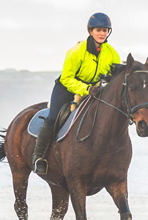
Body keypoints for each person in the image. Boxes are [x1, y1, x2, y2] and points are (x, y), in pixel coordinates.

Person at [32, 12, 121, 175]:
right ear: (90, 31)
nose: (102, 33)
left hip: (93, 91)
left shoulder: (112, 53)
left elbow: (113, 77)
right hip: (66, 88)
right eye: (98, 30)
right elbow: (67, 78)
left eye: (105, 30)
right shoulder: (76, 52)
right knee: (53, 118)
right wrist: (86, 89)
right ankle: (39, 157)